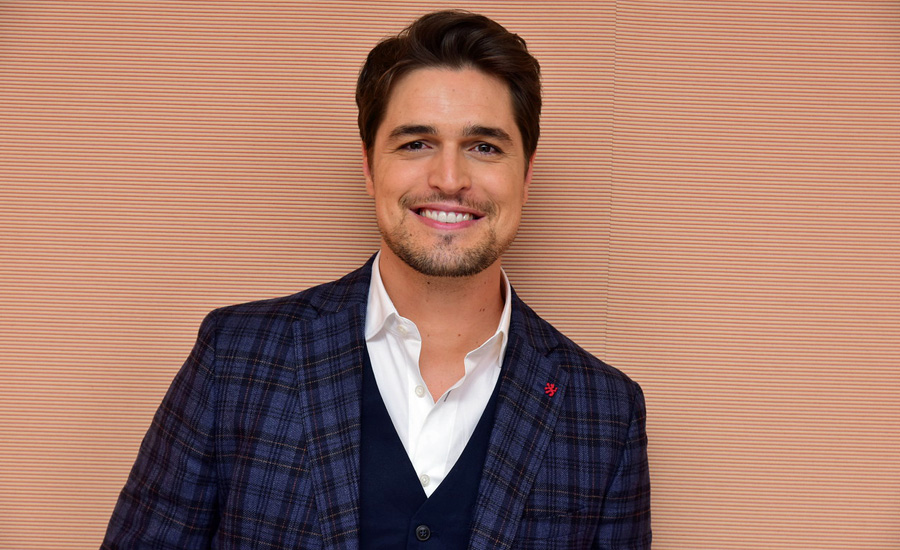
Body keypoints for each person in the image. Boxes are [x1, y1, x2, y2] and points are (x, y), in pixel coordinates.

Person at [102, 10, 651, 549]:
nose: (449, 179)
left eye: (484, 147)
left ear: (525, 176)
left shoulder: (606, 411)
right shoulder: (235, 357)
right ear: (369, 167)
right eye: (416, 143)